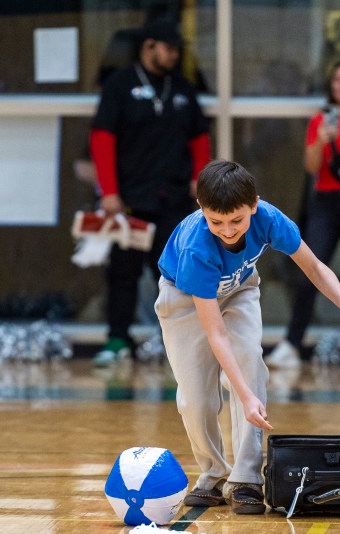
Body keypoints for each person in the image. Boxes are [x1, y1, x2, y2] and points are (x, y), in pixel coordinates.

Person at [156, 160, 340, 514]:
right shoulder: (197, 248)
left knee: (251, 365)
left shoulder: (269, 219)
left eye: (237, 221)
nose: (227, 231)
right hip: (185, 299)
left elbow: (314, 266)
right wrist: (243, 395)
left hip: (239, 288)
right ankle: (212, 474)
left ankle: (244, 479)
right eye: (216, 222)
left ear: (254, 205)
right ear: (201, 209)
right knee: (196, 398)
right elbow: (216, 333)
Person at [90, 19, 210, 366]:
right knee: (123, 273)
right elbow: (102, 139)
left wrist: (199, 180)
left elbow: (199, 138)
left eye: (177, 49)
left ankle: (177, 344)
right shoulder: (120, 85)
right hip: (129, 201)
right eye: (168, 48)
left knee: (176, 275)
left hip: (173, 200)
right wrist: (108, 192)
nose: (174, 55)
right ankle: (117, 339)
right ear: (149, 47)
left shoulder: (183, 89)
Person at [265, 60, 340, 369]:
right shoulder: (320, 120)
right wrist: (321, 140)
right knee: (311, 269)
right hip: (327, 202)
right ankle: (292, 342)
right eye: (338, 80)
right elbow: (310, 167)